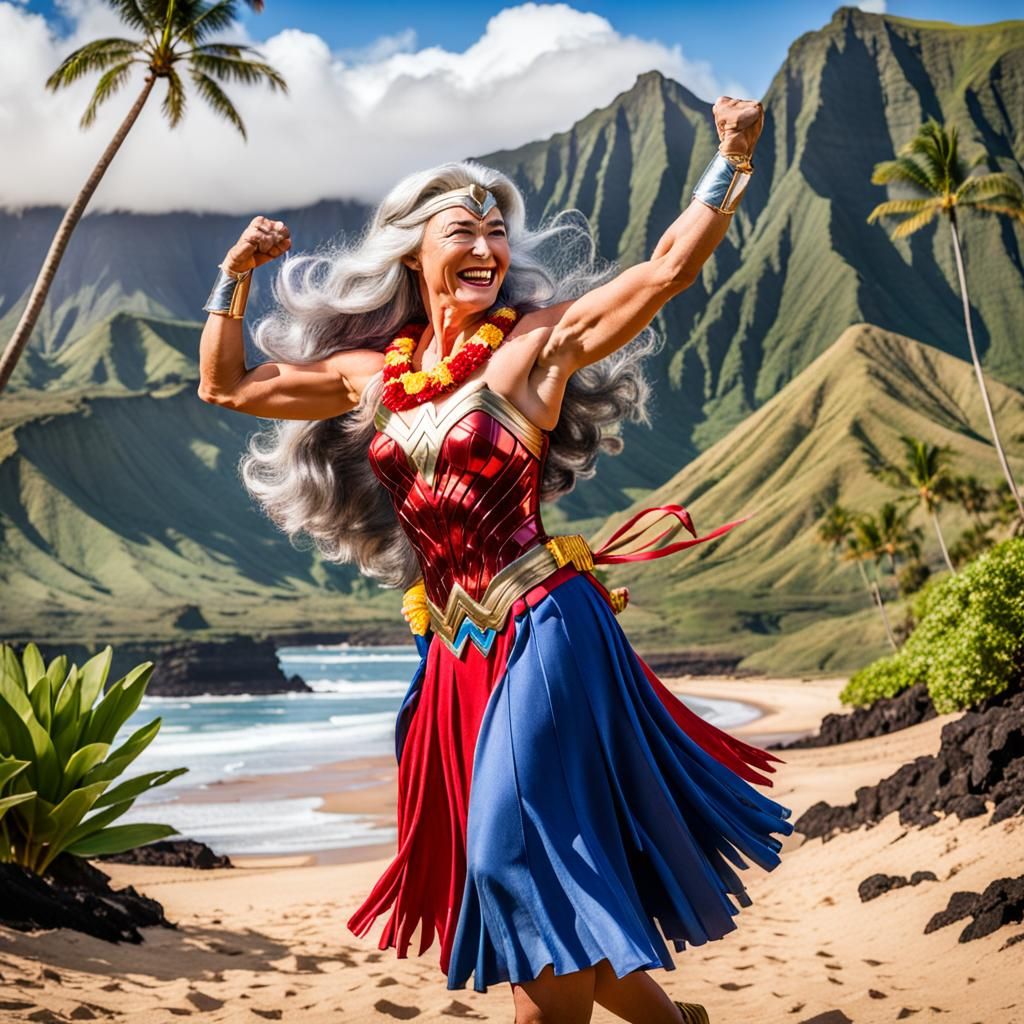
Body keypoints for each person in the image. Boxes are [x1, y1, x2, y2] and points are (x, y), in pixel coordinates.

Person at [198, 95, 792, 1024]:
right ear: (411, 251)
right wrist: (233, 278)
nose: (486, 247)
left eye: (496, 233)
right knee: (539, 873)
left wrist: (733, 158)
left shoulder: (531, 348)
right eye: (461, 231)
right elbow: (226, 386)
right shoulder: (371, 374)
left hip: (546, 628)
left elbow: (667, 270)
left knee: (505, 856)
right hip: (452, 655)